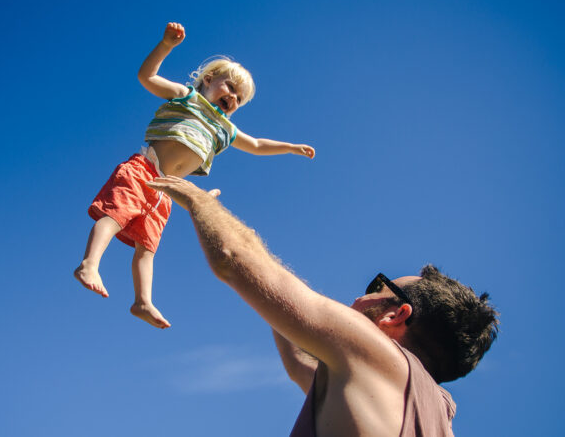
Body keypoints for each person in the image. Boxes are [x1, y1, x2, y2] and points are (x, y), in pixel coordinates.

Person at [147, 176, 499, 436]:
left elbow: (231, 256)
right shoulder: (438, 413)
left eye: (377, 287)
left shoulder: (376, 353)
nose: (360, 297)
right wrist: (273, 297)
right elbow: (300, 360)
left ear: (396, 314)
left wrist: (197, 199)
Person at [74, 22, 315, 329]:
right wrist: (166, 46)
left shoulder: (225, 129)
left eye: (239, 98)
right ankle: (89, 264)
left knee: (147, 247)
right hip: (144, 168)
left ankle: (142, 301)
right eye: (229, 87)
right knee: (115, 216)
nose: (233, 97)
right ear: (209, 79)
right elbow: (146, 77)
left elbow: (255, 145)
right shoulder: (186, 96)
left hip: (166, 191)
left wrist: (290, 147)